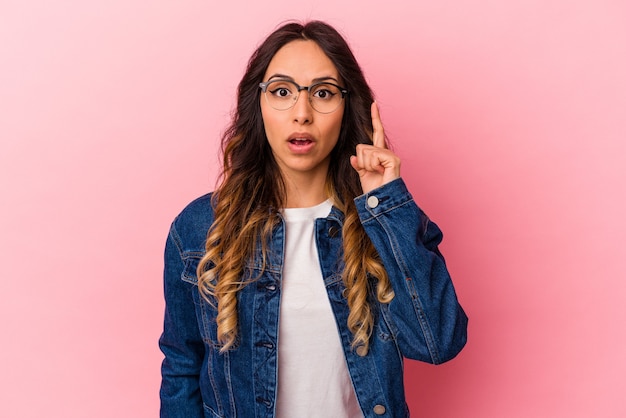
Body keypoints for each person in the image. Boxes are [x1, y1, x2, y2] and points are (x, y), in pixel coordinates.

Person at [159, 20, 468, 418]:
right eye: (282, 91)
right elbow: (182, 367)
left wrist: (385, 203)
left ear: (346, 107)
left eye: (322, 93)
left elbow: (437, 342)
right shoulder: (199, 229)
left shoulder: (383, 221)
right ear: (258, 104)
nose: (302, 113)